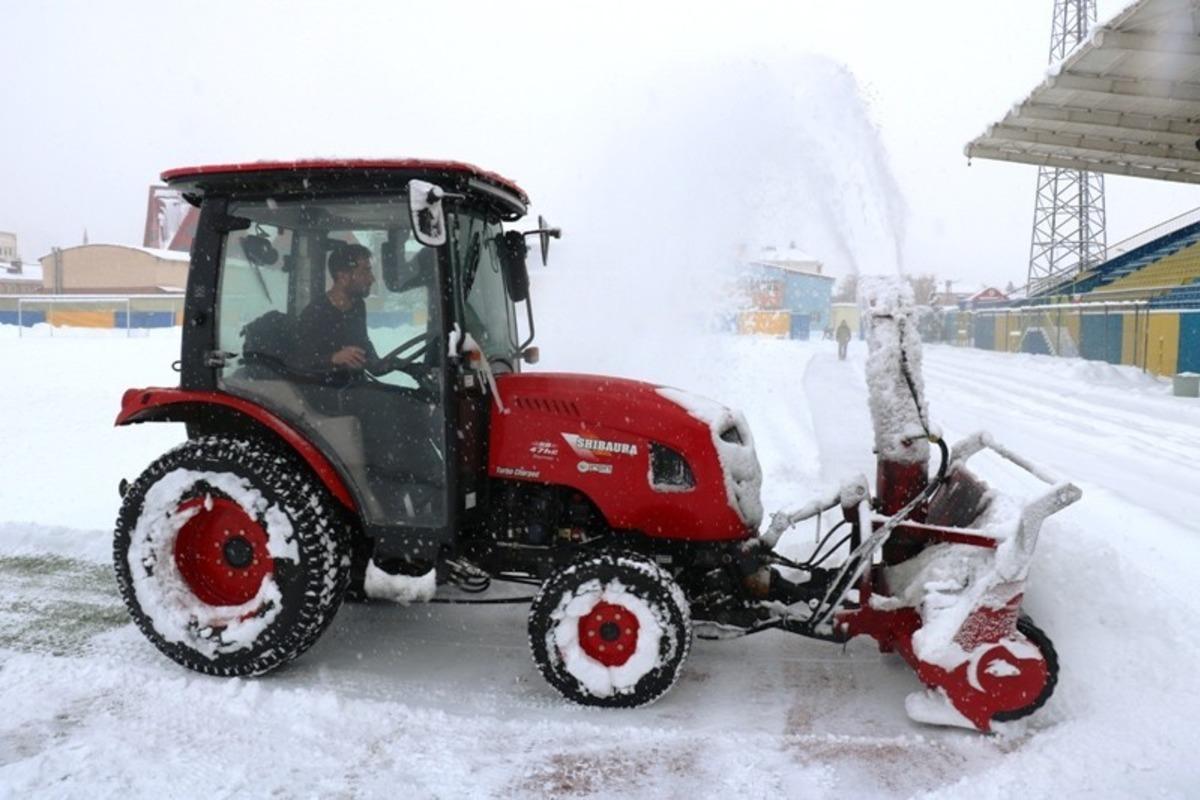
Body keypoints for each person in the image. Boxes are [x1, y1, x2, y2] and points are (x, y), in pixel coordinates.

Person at [295, 243, 379, 376]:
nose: (372, 279)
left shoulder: (357, 306)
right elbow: (298, 362)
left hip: (355, 384)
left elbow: (363, 347)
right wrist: (333, 358)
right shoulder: (315, 313)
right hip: (324, 387)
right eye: (365, 271)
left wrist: (399, 365)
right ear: (343, 277)